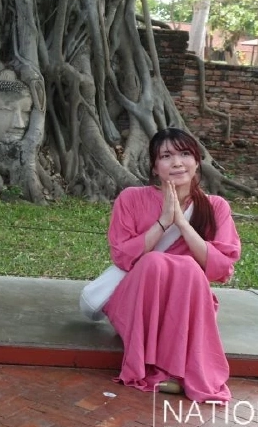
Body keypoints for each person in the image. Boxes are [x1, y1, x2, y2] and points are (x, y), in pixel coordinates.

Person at [103, 128, 241, 403]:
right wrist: (164, 220)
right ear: (155, 167)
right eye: (166, 156)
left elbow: (221, 267)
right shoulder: (131, 198)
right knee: (154, 261)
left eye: (185, 154)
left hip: (188, 301)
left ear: (197, 161)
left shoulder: (215, 207)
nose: (177, 162)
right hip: (139, 297)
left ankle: (176, 371)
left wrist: (181, 223)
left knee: (189, 268)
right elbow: (123, 257)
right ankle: (154, 367)